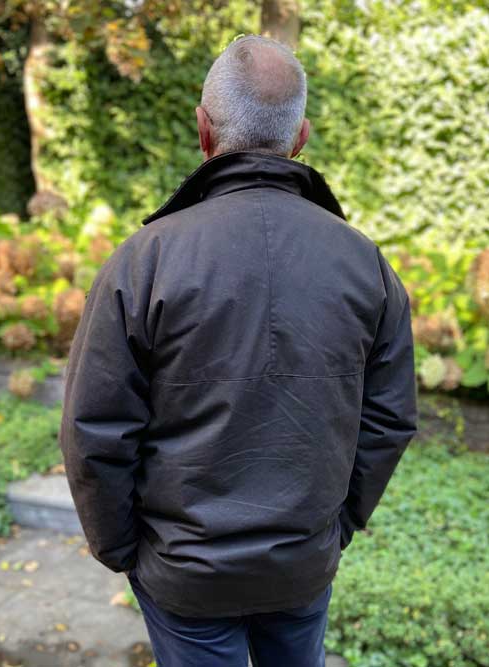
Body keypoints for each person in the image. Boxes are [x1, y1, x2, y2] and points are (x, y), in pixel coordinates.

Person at [59, 33, 418, 667]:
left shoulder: (143, 261)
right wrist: (335, 530)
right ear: (301, 137)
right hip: (299, 565)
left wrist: (123, 550)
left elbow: (95, 429)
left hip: (185, 573)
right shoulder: (364, 262)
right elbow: (389, 420)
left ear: (204, 130)